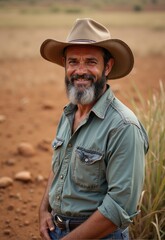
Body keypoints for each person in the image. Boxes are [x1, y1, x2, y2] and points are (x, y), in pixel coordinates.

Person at [39, 18, 149, 240]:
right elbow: (60, 165)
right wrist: (43, 210)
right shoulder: (69, 113)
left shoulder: (123, 126)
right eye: (73, 62)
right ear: (65, 65)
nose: (80, 71)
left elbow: (119, 207)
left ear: (107, 66)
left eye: (90, 62)